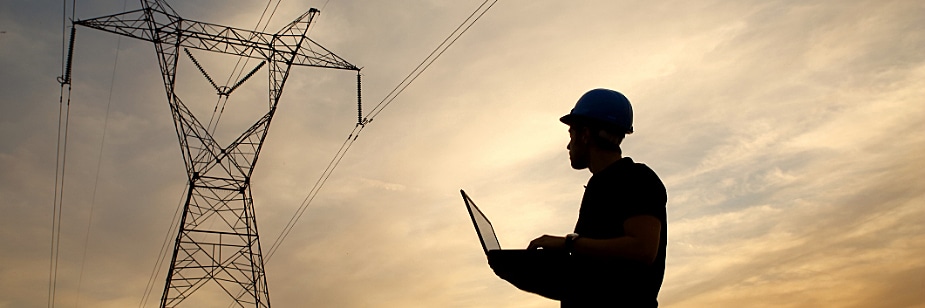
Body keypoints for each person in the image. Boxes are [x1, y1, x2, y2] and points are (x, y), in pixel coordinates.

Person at [527, 88, 668, 307]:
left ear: (585, 134)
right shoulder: (599, 186)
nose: (568, 144)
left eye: (571, 134)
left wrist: (568, 244)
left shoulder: (637, 178)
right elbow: (598, 269)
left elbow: (643, 249)